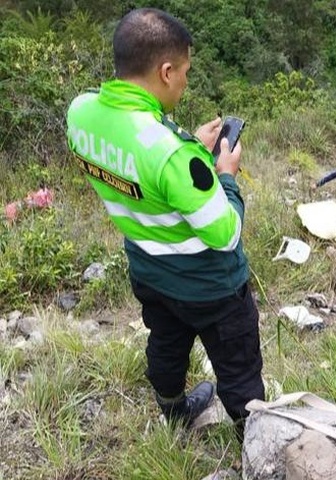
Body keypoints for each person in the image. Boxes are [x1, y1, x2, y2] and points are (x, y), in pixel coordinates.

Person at [66, 8, 264, 433]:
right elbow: (225, 232)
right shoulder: (174, 156)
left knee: (167, 345)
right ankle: (255, 437)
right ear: (166, 70)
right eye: (186, 72)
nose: (187, 82)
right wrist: (224, 175)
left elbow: (137, 155)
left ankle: (174, 410)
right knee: (238, 367)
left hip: (150, 272)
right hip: (209, 287)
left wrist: (187, 140)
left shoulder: (80, 113)